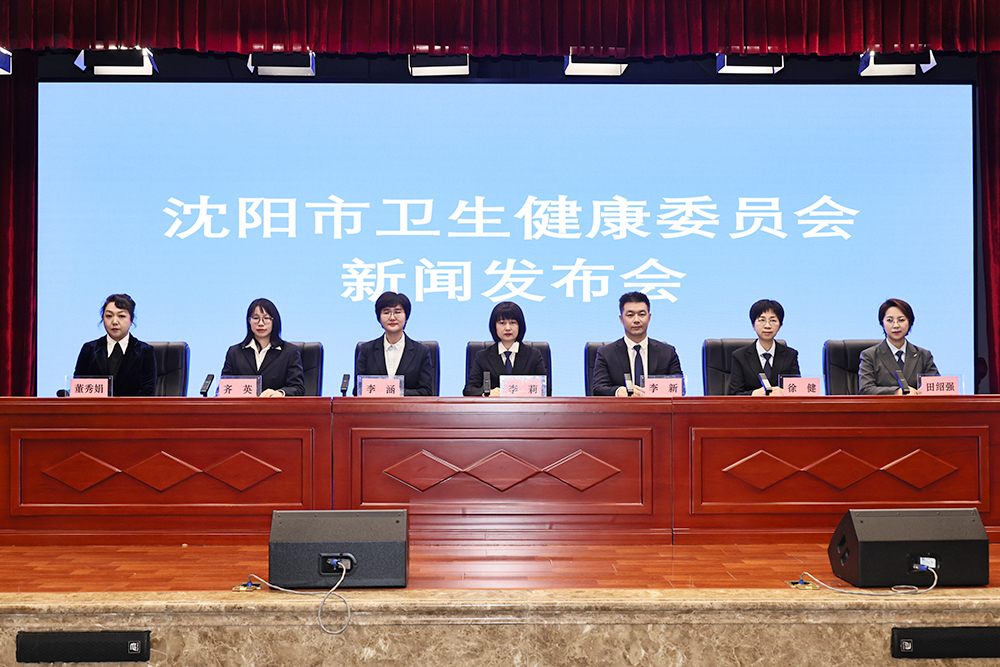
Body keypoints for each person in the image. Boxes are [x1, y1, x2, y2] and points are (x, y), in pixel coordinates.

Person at [592, 292, 682, 397]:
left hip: (655, 407)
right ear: (621, 319)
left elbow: (678, 387)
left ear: (649, 317)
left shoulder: (667, 352)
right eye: (630, 315)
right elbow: (598, 388)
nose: (636, 320)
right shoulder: (606, 353)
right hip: (622, 407)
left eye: (641, 314)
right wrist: (619, 392)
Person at [74, 293, 157, 397]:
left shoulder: (145, 352)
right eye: (109, 316)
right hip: (97, 407)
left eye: (121, 316)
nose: (114, 322)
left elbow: (147, 392)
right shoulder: (89, 349)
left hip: (132, 407)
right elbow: (79, 390)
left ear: (131, 320)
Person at [354, 292, 434, 396]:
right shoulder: (367, 350)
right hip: (375, 407)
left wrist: (396, 392)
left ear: (406, 317)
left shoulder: (421, 352)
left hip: (408, 407)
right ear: (379, 318)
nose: (392, 317)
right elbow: (358, 390)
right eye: (387, 312)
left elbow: (426, 392)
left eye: (397, 312)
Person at [221, 298, 304, 397]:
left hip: (275, 406)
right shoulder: (235, 352)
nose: (260, 323)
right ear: (249, 321)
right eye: (256, 318)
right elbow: (225, 388)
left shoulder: (289, 352)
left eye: (266, 318)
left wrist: (280, 393)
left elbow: (298, 388)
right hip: (244, 406)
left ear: (274, 321)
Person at [463, 301, 547, 397]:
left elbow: (546, 390)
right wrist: (487, 393)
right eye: (502, 323)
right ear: (494, 326)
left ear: (520, 326)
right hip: (494, 406)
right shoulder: (482, 356)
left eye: (512, 323)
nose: (507, 328)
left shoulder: (534, 355)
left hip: (524, 406)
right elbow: (469, 390)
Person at [859, 298, 939, 395]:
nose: (896, 325)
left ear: (910, 323)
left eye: (901, 320)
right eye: (890, 320)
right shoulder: (870, 355)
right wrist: (896, 392)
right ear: (882, 323)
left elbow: (937, 386)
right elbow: (866, 389)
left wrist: (927, 390)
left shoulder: (923, 355)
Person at [728, 299, 801, 396]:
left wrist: (785, 393)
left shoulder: (790, 355)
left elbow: (798, 390)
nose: (767, 326)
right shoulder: (740, 356)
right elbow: (734, 394)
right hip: (752, 405)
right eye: (762, 320)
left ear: (780, 325)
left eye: (773, 320)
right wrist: (752, 394)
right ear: (753, 325)